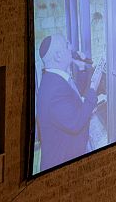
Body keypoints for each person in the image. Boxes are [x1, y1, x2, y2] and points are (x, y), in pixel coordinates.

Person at [36, 33, 104, 172]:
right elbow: (76, 122)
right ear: (58, 56)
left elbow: (72, 97)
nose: (71, 48)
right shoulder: (53, 90)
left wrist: (82, 67)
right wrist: (93, 88)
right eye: (67, 45)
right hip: (62, 167)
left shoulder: (54, 79)